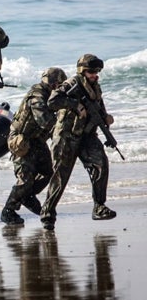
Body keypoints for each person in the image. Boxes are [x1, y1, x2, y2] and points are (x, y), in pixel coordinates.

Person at [40, 54, 117, 231]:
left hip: (87, 135)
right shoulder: (70, 84)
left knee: (101, 164)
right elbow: (52, 101)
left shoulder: (95, 87)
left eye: (97, 71)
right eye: (91, 71)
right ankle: (48, 213)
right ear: (82, 71)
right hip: (67, 136)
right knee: (61, 177)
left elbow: (99, 108)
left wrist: (106, 118)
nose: (94, 75)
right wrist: (75, 105)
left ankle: (99, 206)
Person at [1, 67, 67, 225]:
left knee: (48, 173)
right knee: (25, 178)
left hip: (36, 140)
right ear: (53, 84)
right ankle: (8, 210)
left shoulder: (49, 95)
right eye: (59, 85)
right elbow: (45, 120)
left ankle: (27, 196)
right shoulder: (37, 96)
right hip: (22, 140)